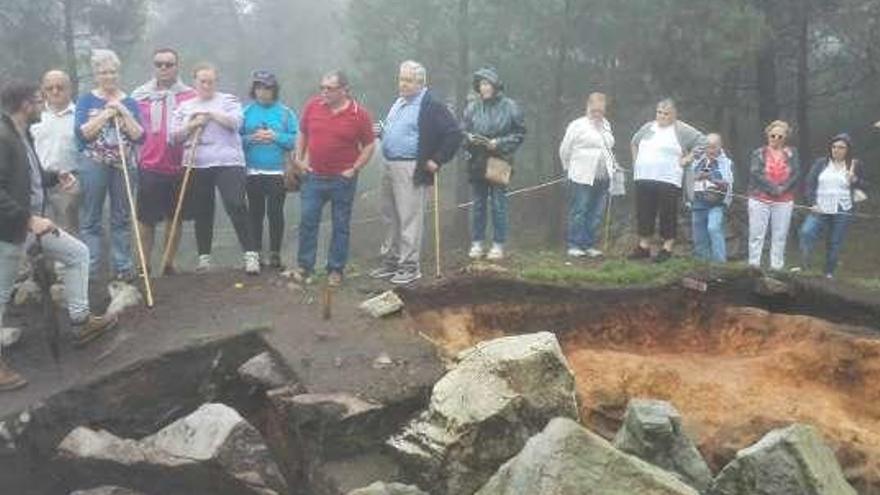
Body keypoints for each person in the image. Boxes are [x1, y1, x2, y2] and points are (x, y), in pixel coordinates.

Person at [1, 82, 118, 391]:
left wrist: (55, 177)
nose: (42, 105)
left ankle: (81, 322)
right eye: (38, 100)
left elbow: (27, 175)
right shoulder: (2, 136)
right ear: (25, 104)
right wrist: (28, 219)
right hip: (9, 231)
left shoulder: (20, 133)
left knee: (77, 253)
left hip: (28, 226)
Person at [369, 61, 462, 285]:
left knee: (409, 217)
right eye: (401, 79)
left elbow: (453, 134)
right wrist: (382, 132)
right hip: (389, 164)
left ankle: (410, 266)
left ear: (421, 82)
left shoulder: (430, 105)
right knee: (389, 215)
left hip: (411, 167)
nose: (403, 84)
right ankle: (392, 261)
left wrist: (436, 160)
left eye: (408, 80)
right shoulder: (399, 102)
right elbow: (396, 130)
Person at [171, 63, 259, 275]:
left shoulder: (228, 100)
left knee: (236, 204)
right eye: (202, 81)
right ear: (195, 83)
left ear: (215, 82)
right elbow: (173, 137)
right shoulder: (184, 106)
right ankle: (204, 258)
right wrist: (193, 124)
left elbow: (236, 123)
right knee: (203, 209)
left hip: (228, 162)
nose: (207, 85)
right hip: (196, 162)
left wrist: (210, 114)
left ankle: (250, 254)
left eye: (211, 81)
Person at [291, 70, 376, 286]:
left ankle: (335, 270)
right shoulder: (313, 106)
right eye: (322, 87)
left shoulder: (359, 114)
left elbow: (369, 144)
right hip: (313, 175)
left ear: (344, 90)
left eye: (329, 88)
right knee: (308, 221)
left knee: (340, 224)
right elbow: (302, 132)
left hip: (342, 178)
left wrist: (355, 168)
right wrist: (299, 159)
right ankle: (304, 266)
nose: (324, 92)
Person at [74, 49, 145, 280]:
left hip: (124, 165)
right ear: (96, 75)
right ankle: (92, 268)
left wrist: (123, 111)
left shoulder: (130, 101)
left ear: (118, 74)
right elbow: (82, 134)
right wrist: (105, 114)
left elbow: (139, 136)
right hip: (94, 163)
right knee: (91, 217)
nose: (108, 77)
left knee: (121, 217)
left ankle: (122, 267)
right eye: (103, 72)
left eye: (112, 72)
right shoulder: (86, 100)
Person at [131, 48, 197, 276]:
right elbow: (130, 126)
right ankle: (143, 265)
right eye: (159, 64)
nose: (164, 68)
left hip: (180, 163)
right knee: (145, 218)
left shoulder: (190, 95)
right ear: (154, 67)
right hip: (149, 163)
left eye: (169, 64)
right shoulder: (139, 95)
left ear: (177, 67)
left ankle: (168, 263)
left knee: (175, 215)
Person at [630, 98, 706, 263]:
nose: (662, 116)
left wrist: (688, 158)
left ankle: (667, 247)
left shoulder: (682, 129)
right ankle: (644, 246)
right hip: (644, 176)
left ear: (674, 114)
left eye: (666, 113)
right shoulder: (648, 127)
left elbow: (703, 142)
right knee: (644, 211)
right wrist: (636, 162)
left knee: (667, 213)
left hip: (669, 178)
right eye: (659, 112)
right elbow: (634, 142)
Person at [463, 67, 526, 261]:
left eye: (488, 83)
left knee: (498, 203)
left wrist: (499, 143)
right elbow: (462, 130)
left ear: (496, 85)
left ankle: (498, 244)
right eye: (481, 84)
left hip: (500, 158)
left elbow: (519, 134)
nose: (485, 88)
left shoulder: (510, 106)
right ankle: (477, 242)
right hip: (477, 158)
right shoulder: (472, 107)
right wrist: (469, 139)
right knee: (479, 203)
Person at [241, 70, 298, 270]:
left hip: (277, 171)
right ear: (254, 90)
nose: (263, 92)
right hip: (253, 171)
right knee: (254, 213)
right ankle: (255, 252)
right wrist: (251, 138)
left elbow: (296, 140)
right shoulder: (246, 112)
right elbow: (234, 141)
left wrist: (275, 136)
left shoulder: (285, 113)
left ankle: (275, 253)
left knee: (275, 212)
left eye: (267, 88)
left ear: (274, 90)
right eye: (259, 88)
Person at [796, 133, 867, 278]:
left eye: (841, 147)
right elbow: (809, 184)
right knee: (806, 232)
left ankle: (828, 272)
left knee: (835, 241)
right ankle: (804, 267)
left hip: (843, 208)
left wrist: (854, 179)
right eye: (834, 147)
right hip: (820, 206)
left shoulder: (854, 165)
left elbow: (866, 185)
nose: (837, 150)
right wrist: (812, 203)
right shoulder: (821, 163)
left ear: (848, 150)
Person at [559, 92, 616, 258]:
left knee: (596, 212)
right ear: (588, 106)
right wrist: (567, 169)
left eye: (601, 110)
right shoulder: (577, 125)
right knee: (580, 210)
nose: (598, 113)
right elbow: (564, 149)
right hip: (581, 175)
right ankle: (574, 244)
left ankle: (588, 244)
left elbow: (608, 148)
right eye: (595, 109)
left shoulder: (606, 125)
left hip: (603, 176)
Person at [30, 70, 80, 233]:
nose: (55, 91)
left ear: (69, 89)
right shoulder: (35, 116)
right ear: (43, 90)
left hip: (68, 183)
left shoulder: (80, 115)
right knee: (38, 233)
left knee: (68, 232)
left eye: (60, 87)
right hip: (38, 184)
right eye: (49, 88)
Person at [747, 120, 800, 271]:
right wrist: (772, 188)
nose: (776, 138)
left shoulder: (792, 153)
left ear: (785, 138)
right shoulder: (758, 152)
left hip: (784, 199)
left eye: (780, 136)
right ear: (768, 135)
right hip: (759, 198)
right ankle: (753, 265)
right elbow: (755, 173)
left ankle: (776, 267)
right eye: (773, 135)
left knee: (780, 234)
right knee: (756, 234)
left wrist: (783, 188)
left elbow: (796, 173)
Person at [689, 133, 733, 263]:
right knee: (699, 235)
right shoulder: (697, 161)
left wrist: (711, 178)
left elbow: (728, 184)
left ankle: (720, 263)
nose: (710, 150)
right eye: (708, 147)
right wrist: (696, 176)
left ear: (720, 146)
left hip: (716, 204)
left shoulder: (726, 163)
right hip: (697, 203)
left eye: (714, 147)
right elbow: (686, 178)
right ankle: (704, 264)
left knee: (713, 228)